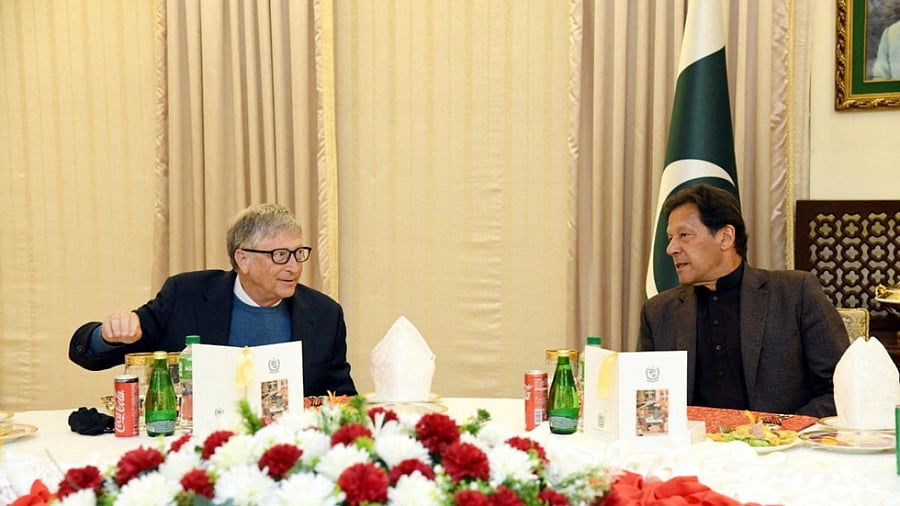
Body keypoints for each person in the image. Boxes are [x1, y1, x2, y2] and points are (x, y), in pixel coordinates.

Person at [69, 203, 357, 397]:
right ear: (242, 259)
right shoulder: (185, 295)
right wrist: (106, 336)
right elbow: (90, 354)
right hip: (198, 448)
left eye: (298, 253)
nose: (293, 266)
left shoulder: (324, 314)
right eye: (280, 255)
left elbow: (340, 398)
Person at [639, 184, 848, 417]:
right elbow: (648, 404)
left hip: (780, 448)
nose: (671, 249)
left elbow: (842, 388)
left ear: (725, 237)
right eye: (670, 238)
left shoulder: (794, 294)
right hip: (692, 449)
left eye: (684, 236)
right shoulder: (658, 313)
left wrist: (781, 428)